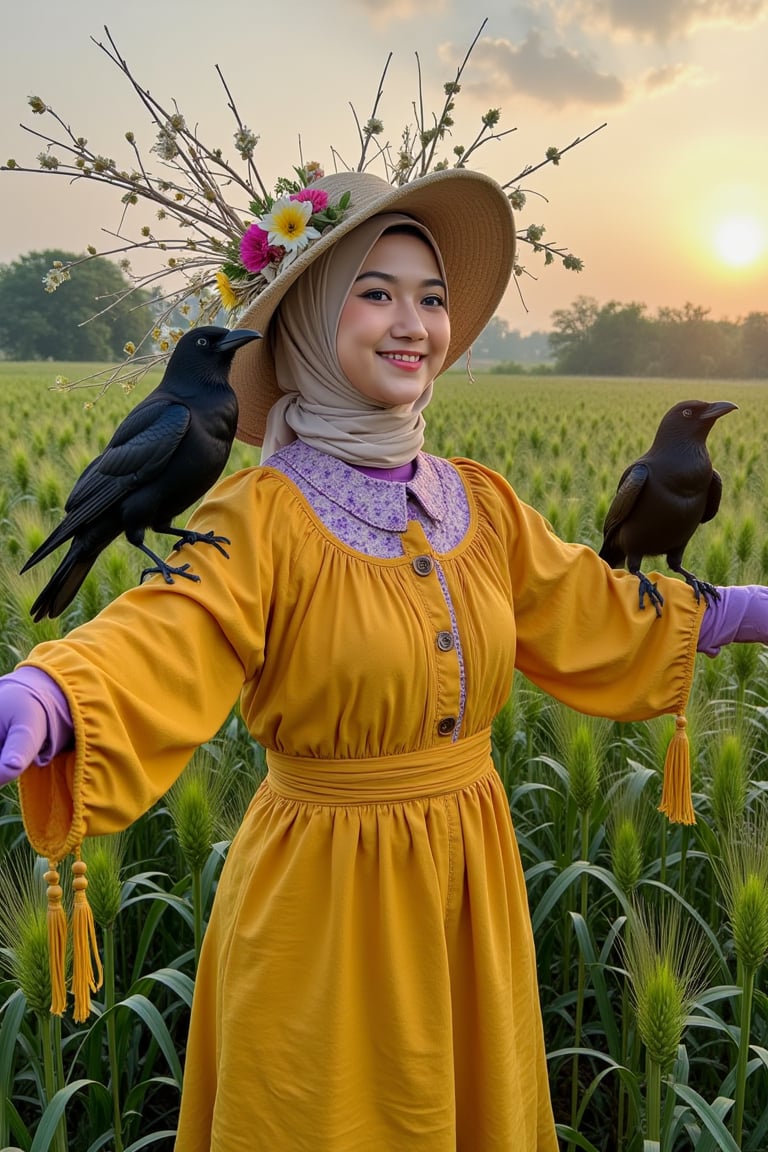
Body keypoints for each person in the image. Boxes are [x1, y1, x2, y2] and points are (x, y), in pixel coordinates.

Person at [0, 167, 766, 1152]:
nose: (414, 322)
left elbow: (587, 605)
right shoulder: (261, 513)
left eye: (432, 296)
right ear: (313, 320)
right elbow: (173, 626)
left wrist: (740, 608)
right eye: (376, 292)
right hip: (324, 901)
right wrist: (56, 691)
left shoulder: (477, 504)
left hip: (469, 885)